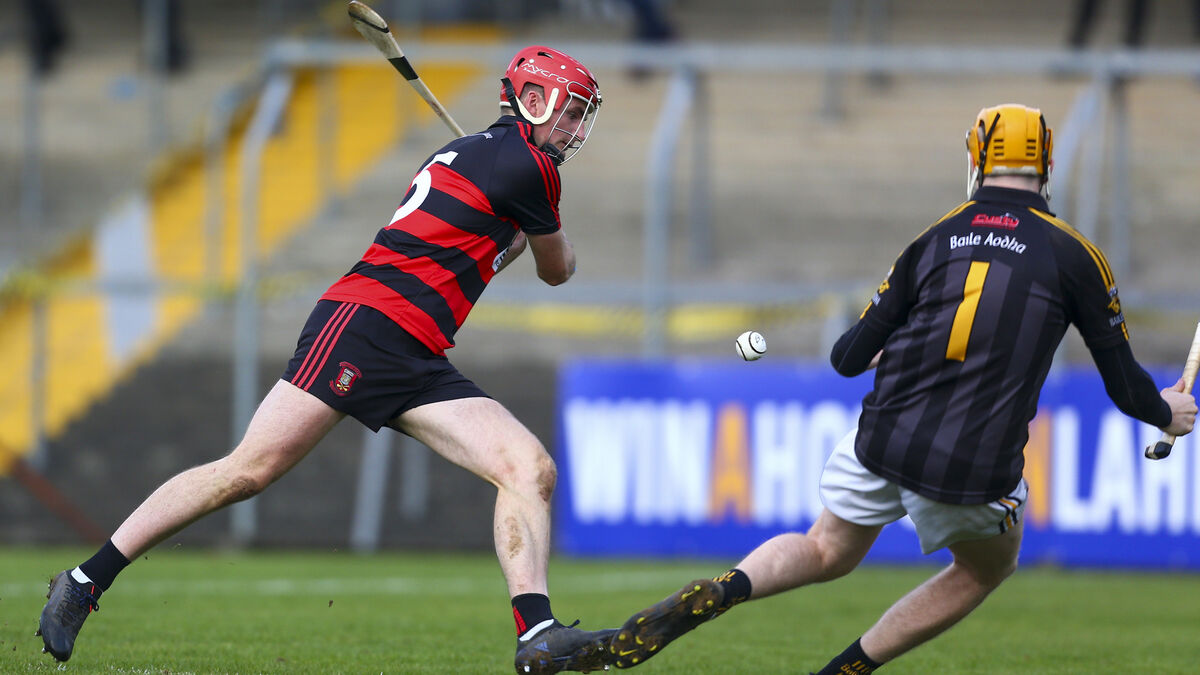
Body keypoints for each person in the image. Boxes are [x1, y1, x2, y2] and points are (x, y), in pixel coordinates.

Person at [37, 45, 613, 675]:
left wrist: (514, 236)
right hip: (365, 327)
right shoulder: (530, 166)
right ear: (533, 100)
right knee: (247, 471)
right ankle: (83, 582)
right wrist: (545, 239)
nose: (575, 129)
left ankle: (537, 634)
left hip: (417, 350)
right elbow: (557, 270)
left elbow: (481, 241)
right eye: (571, 112)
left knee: (528, 468)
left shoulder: (481, 155)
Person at [602, 104, 1198, 673]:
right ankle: (844, 671)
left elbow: (846, 358)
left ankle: (729, 587)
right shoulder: (1077, 255)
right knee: (985, 570)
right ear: (1047, 165)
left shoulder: (934, 238)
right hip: (973, 463)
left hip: (883, 437)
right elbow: (1125, 386)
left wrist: (893, 347)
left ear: (976, 159)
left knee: (825, 547)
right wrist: (1164, 412)